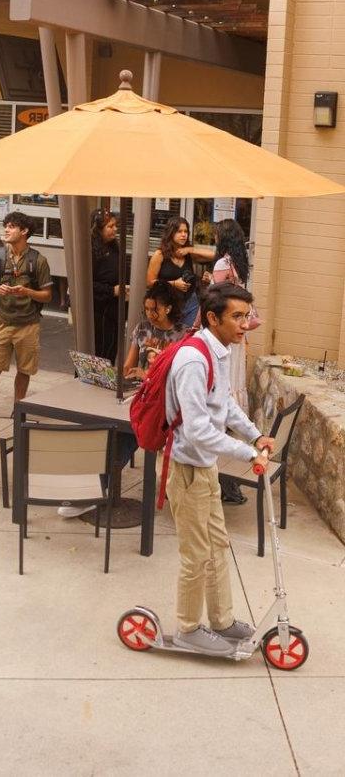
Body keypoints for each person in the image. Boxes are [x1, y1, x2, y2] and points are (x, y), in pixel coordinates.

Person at [165, 281, 275, 656]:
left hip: (205, 468)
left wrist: (256, 435)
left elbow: (225, 405)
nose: (246, 324)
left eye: (248, 316)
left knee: (217, 547)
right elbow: (197, 431)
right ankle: (187, 628)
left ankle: (222, 621)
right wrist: (247, 454)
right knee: (196, 554)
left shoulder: (220, 352)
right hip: (185, 470)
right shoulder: (194, 360)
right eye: (238, 317)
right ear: (213, 318)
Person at [0, 211, 53, 415]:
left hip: (28, 324)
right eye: (5, 225)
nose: (6, 230)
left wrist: (27, 292)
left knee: (24, 372)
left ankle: (18, 414)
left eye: (11, 226)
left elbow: (47, 296)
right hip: (1, 321)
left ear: (24, 231)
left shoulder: (38, 261)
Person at [211, 219, 252, 505]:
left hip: (223, 336)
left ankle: (224, 479)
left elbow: (216, 302)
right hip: (239, 337)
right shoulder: (241, 264)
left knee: (221, 389)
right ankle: (231, 481)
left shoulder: (221, 265)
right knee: (233, 388)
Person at [147, 217, 213, 329]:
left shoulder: (188, 254)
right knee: (170, 339)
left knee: (187, 337)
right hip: (167, 305)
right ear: (171, 233)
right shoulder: (160, 255)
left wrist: (190, 250)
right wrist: (173, 283)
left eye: (186, 231)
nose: (183, 235)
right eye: (179, 231)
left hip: (190, 302)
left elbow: (212, 255)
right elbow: (149, 282)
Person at [123, 281, 186, 381]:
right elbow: (129, 366)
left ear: (168, 309)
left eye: (155, 310)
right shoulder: (142, 328)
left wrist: (146, 376)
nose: (149, 314)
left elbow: (180, 375)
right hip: (140, 388)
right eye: (147, 309)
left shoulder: (183, 334)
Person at [91, 209, 128, 363]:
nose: (115, 229)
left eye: (115, 226)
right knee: (99, 350)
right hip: (98, 310)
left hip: (115, 308)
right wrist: (111, 290)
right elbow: (85, 283)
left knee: (111, 348)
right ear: (98, 229)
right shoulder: (91, 250)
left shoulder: (114, 247)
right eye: (110, 226)